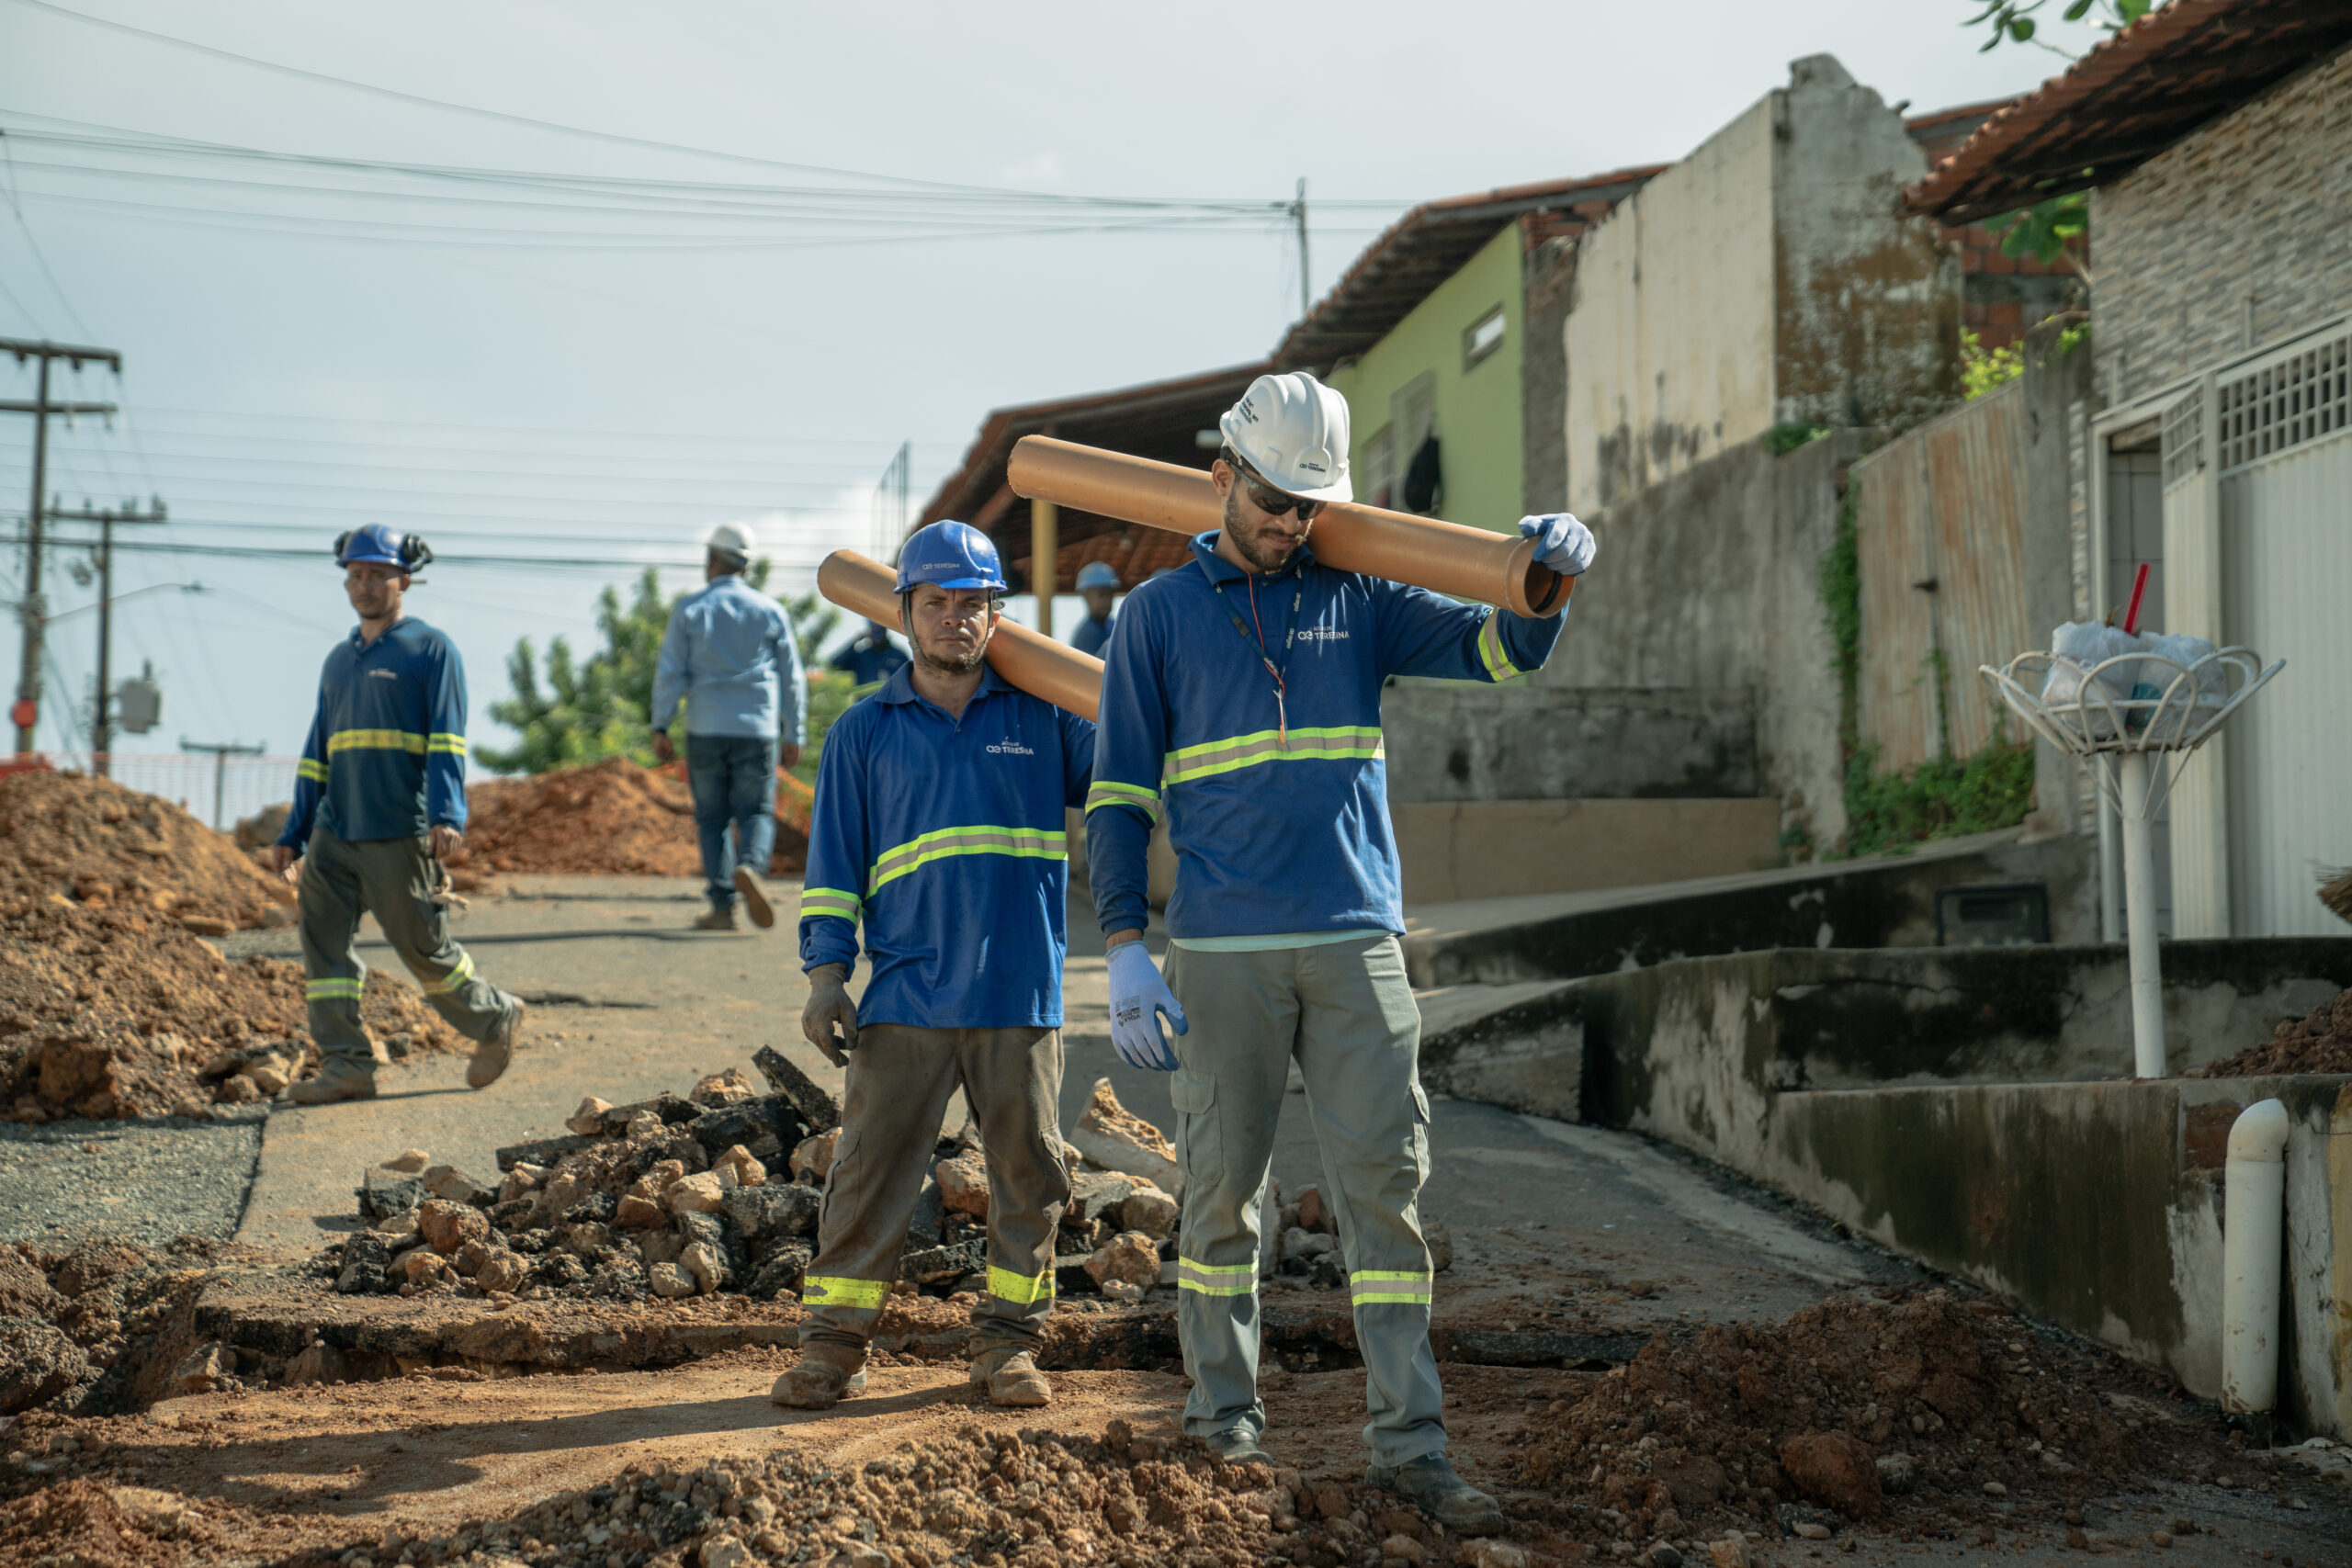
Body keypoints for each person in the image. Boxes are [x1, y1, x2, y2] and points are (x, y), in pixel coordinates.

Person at [1084, 371, 1596, 1528]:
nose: (1290, 524)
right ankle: (1221, 1431)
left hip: (1356, 939)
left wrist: (1548, 583)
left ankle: (1411, 1448)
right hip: (1222, 951)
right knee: (1221, 1200)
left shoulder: (1360, 589)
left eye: (1309, 505)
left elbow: (1502, 655)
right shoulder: (1156, 617)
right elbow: (1116, 798)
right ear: (1222, 477)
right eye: (1273, 500)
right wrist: (1122, 945)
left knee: (1384, 1196)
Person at [776, 520, 1094, 1411]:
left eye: (973, 603)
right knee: (869, 1172)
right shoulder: (864, 731)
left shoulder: (1046, 717)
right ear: (904, 613)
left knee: (1030, 1175)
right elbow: (832, 868)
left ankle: (1009, 1346)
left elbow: (1133, 751)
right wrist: (826, 976)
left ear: (998, 615)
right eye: (937, 602)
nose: (955, 618)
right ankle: (833, 1347)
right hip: (906, 990)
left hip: (1018, 990)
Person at [273, 525, 526, 1105]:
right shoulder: (339, 660)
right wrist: (296, 829)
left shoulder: (431, 649)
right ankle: (347, 1065)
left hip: (398, 828)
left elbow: (448, 740)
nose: (364, 585)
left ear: (403, 580)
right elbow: (318, 751)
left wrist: (446, 813)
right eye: (355, 575)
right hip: (335, 829)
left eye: (377, 575)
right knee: (322, 946)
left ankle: (494, 1017)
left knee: (421, 948)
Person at [650, 522, 807, 932]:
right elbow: (792, 678)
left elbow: (670, 673)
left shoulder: (690, 609)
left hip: (705, 728)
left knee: (712, 819)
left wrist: (660, 724)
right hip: (758, 729)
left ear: (712, 560)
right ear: (745, 566)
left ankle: (722, 907)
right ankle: (750, 866)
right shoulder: (770, 611)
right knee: (756, 811)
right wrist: (795, 732)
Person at [828, 619, 910, 687]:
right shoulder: (861, 656)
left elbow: (911, 679)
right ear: (869, 631)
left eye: (880, 630)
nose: (877, 633)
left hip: (893, 701)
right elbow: (834, 665)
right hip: (867, 701)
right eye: (874, 629)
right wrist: (854, 642)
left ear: (885, 630)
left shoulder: (899, 655)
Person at [1069, 560, 1121, 657]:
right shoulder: (1086, 636)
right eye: (1101, 594)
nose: (1106, 599)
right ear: (1086, 596)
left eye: (1110, 594)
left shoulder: (1116, 626)